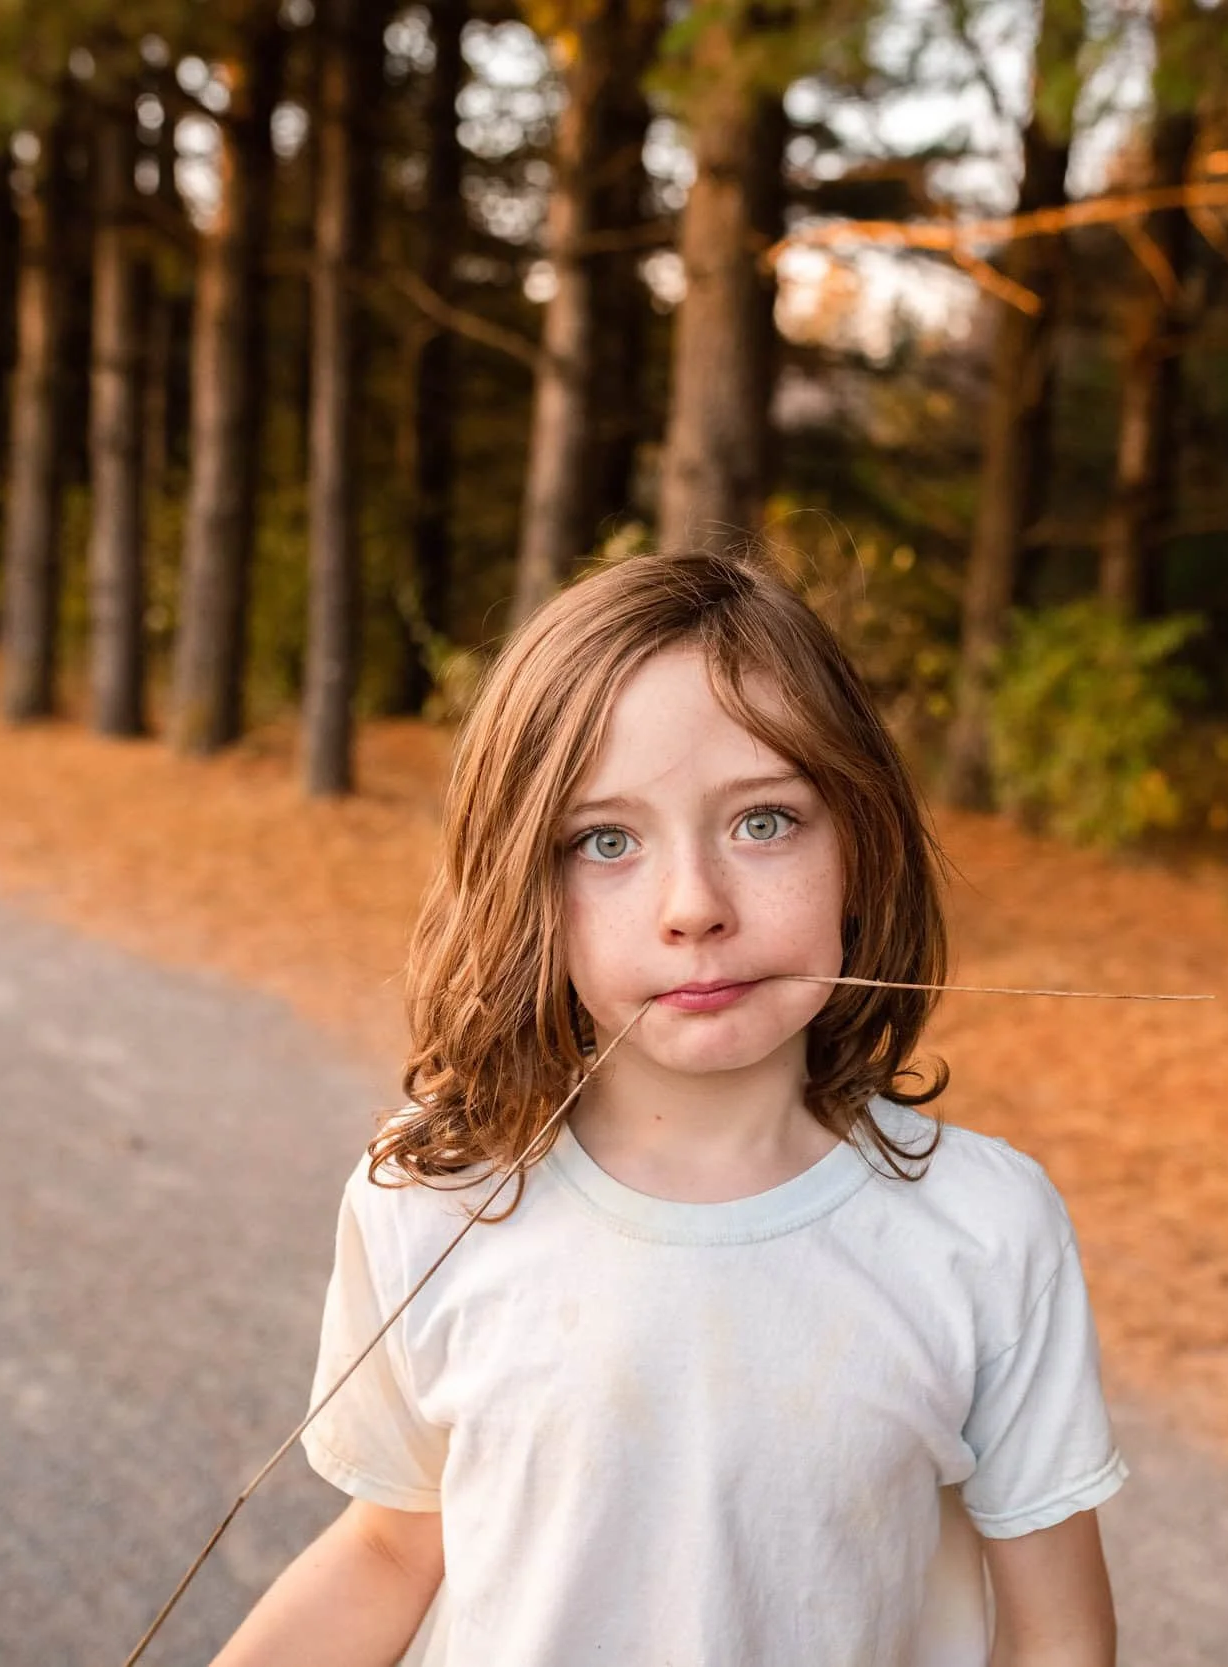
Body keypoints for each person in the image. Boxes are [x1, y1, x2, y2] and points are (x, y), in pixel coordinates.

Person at [212, 549, 1125, 1667]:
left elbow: (1057, 1632)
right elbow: (397, 1547)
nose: (693, 905)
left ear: (863, 843)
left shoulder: (983, 1227)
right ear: (520, 886)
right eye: (606, 840)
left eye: (765, 822)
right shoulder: (438, 1194)